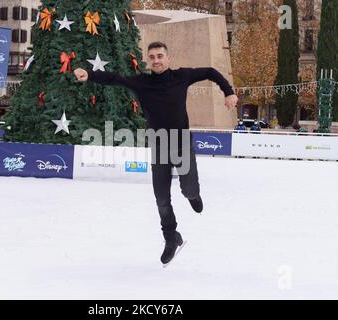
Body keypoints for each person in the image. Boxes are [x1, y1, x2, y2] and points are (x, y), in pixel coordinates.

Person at [74, 41, 238, 265]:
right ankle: (171, 237)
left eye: (160, 56)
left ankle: (192, 194)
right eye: (152, 57)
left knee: (188, 189)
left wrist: (228, 92)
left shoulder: (182, 76)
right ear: (148, 60)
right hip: (158, 144)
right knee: (161, 198)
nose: (156, 60)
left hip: (181, 142)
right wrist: (89, 75)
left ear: (168, 58)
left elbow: (210, 71)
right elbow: (114, 78)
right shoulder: (142, 82)